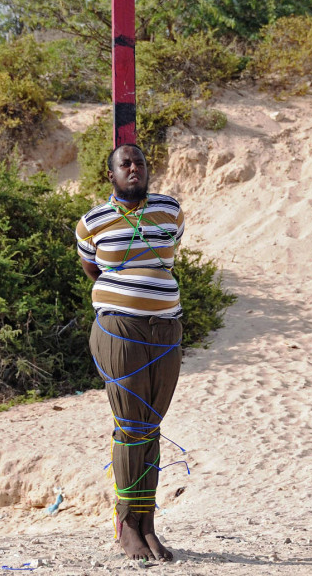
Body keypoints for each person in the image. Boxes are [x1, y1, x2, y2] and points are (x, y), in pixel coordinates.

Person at [75, 143, 186, 561]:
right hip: (119, 329)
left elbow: (170, 252)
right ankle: (126, 527)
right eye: (125, 164)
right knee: (129, 426)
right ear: (112, 175)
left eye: (139, 162)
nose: (134, 168)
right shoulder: (92, 223)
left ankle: (148, 524)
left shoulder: (170, 210)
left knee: (152, 427)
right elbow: (91, 266)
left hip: (166, 330)